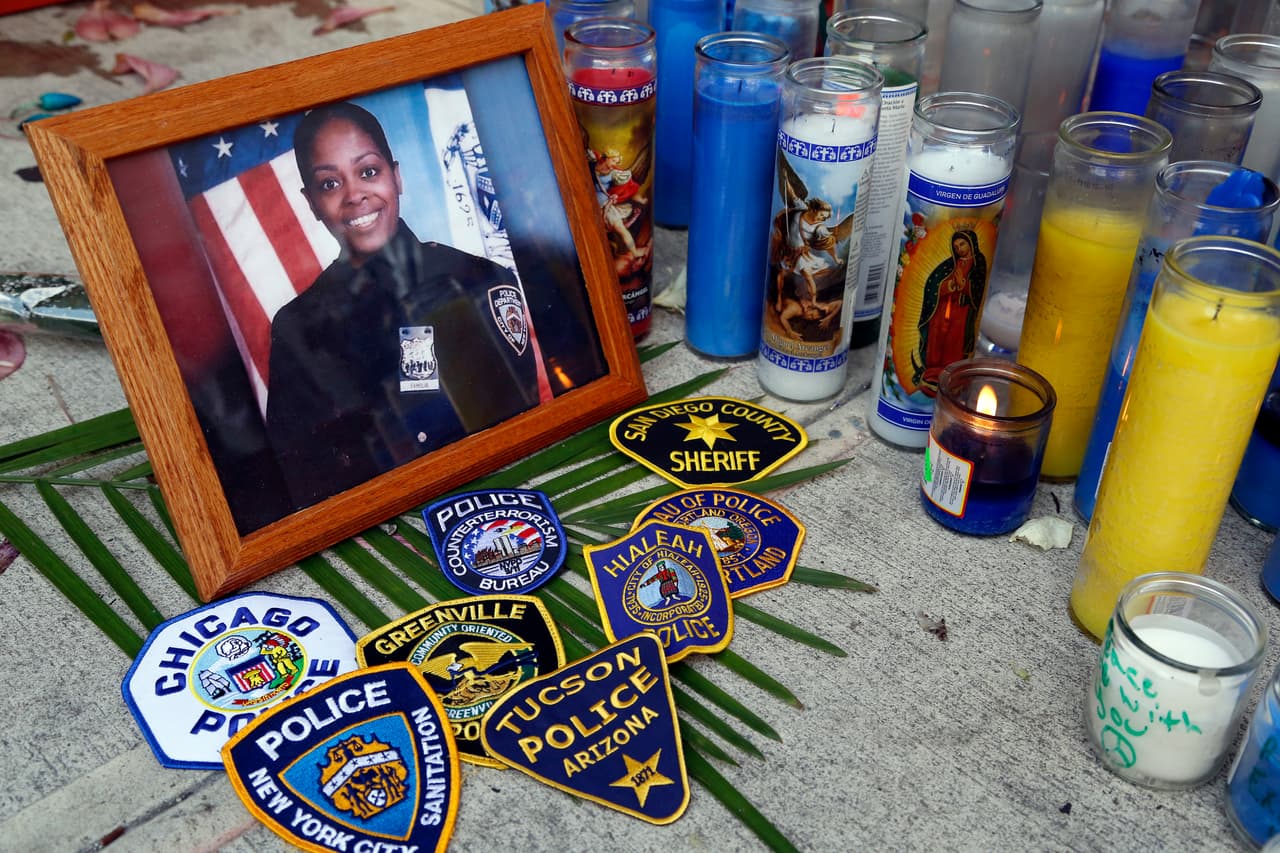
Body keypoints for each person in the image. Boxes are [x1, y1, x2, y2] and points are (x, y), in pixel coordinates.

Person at [264, 102, 541, 509]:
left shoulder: (480, 278)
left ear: (397, 176)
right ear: (311, 203)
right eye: (330, 183)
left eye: (368, 172)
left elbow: (519, 418)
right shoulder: (297, 326)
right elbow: (301, 470)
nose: (354, 195)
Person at [912, 229, 987, 396]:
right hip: (942, 309)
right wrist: (949, 285)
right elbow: (934, 283)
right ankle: (932, 373)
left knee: (954, 341)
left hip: (961, 311)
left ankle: (950, 375)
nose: (959, 249)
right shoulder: (951, 264)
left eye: (962, 244)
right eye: (956, 246)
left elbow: (978, 288)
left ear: (971, 244)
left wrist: (965, 285)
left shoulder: (978, 263)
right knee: (937, 337)